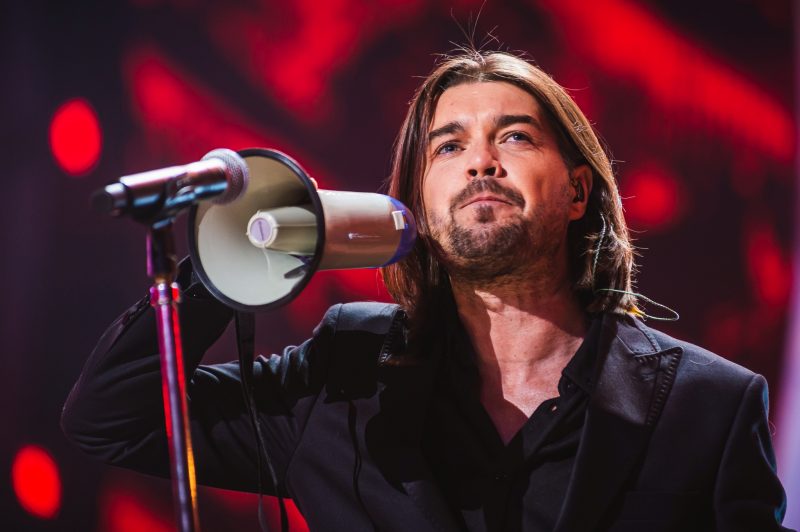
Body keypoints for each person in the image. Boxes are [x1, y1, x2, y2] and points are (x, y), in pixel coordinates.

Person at [62, 50, 792, 531]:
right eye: (449, 146)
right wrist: (225, 273)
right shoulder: (341, 374)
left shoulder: (710, 406)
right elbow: (113, 419)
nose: (480, 162)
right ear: (416, 201)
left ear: (577, 191)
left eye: (515, 137)